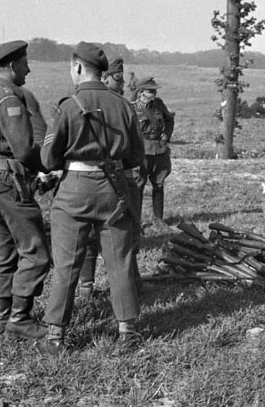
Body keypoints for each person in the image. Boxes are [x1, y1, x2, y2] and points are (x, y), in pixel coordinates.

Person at [41, 42, 144, 352]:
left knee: (66, 265)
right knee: (120, 261)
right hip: (115, 189)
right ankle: (127, 331)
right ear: (102, 72)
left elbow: (47, 158)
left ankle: (56, 336)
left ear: (77, 68)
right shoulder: (123, 104)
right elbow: (137, 155)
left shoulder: (69, 105)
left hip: (74, 190)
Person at [0, 40, 50, 339]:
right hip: (10, 184)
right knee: (37, 252)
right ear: (13, 66)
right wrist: (45, 166)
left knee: (3, 253)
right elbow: (25, 149)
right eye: (25, 63)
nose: (28, 68)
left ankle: (2, 320)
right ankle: (20, 319)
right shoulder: (9, 99)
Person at [78, 58, 145, 298]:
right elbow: (137, 153)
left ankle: (86, 287)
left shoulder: (77, 101)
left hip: (82, 180)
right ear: (104, 77)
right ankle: (130, 287)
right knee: (124, 235)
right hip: (120, 179)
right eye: (118, 78)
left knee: (88, 235)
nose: (123, 83)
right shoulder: (122, 105)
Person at [132, 77, 175, 230]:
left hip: (159, 149)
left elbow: (169, 120)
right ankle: (135, 221)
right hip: (141, 150)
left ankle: (158, 219)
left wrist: (167, 134)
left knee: (159, 184)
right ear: (141, 92)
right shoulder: (132, 107)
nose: (154, 93)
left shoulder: (159, 104)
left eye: (154, 90)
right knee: (138, 185)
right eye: (150, 91)